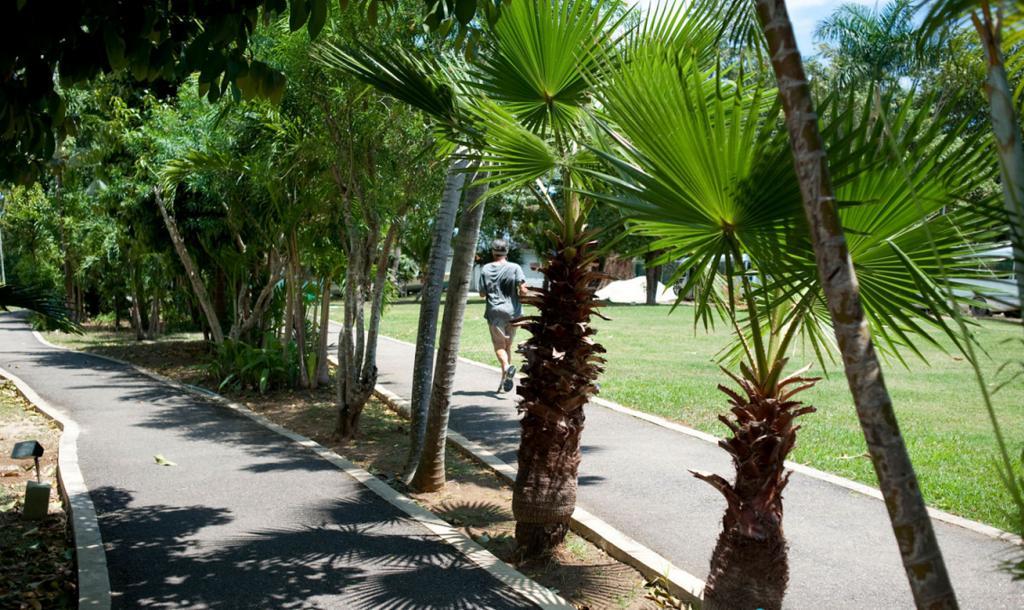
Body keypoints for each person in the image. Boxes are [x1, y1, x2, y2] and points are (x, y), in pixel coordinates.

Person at [479, 238, 528, 393]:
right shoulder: (515, 267)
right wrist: (521, 293)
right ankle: (504, 379)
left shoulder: (486, 269)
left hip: (495, 312)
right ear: (507, 251)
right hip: (513, 312)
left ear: (493, 252)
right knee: (507, 346)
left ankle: (506, 368)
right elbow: (524, 290)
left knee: (499, 346)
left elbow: (481, 294)